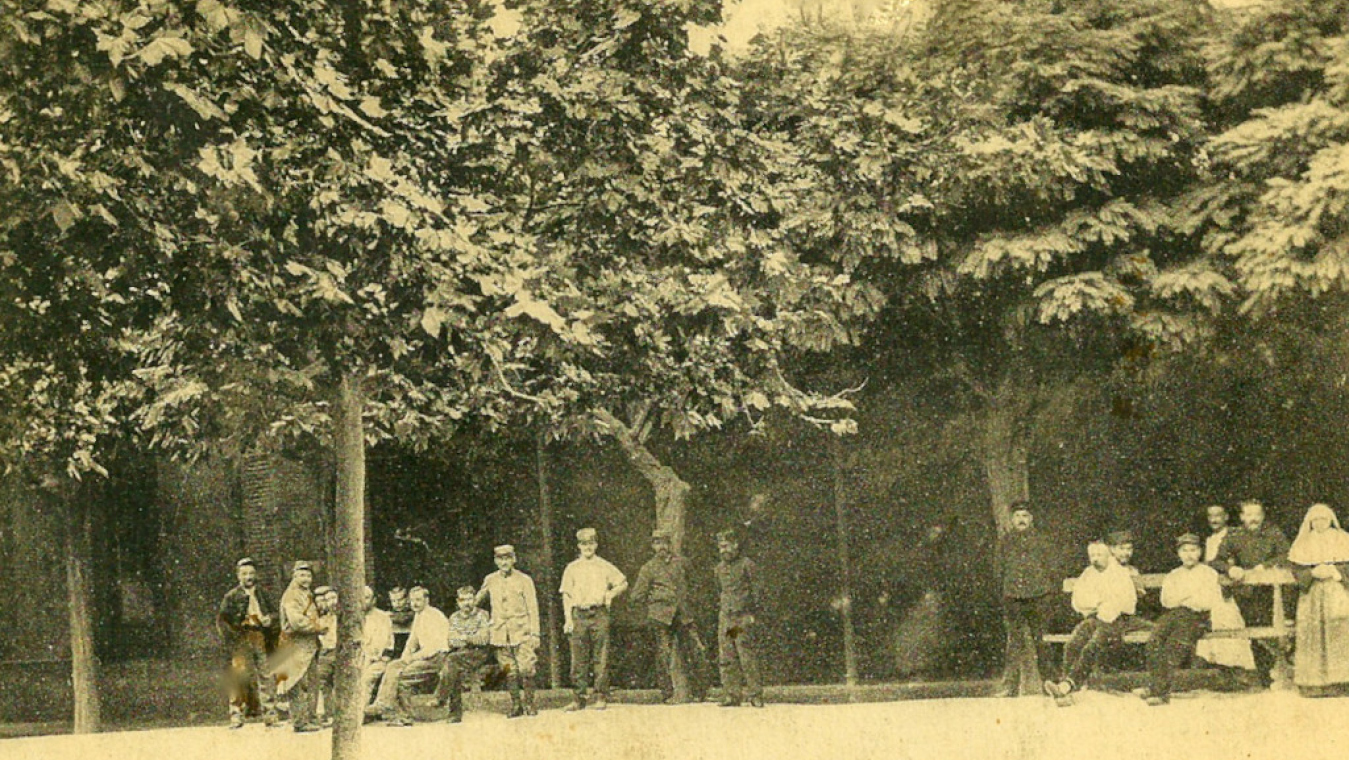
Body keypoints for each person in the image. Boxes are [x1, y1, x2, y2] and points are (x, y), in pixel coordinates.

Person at [1044, 541, 1137, 706]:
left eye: (1099, 555)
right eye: (1092, 555)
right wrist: (1097, 602)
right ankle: (1066, 692)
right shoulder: (1088, 574)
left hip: (1116, 618)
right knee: (1073, 643)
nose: (1095, 559)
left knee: (1092, 645)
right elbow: (1079, 599)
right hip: (1094, 617)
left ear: (1109, 555)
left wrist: (1107, 606)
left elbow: (1127, 601)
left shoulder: (1119, 573)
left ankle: (1067, 686)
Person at [1138, 534, 1224, 705]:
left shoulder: (1209, 573)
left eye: (1193, 550)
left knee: (1174, 647)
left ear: (1200, 551)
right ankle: (1154, 685)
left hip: (1198, 617)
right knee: (1154, 640)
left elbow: (1209, 600)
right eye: (1184, 551)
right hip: (1175, 614)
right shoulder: (1174, 575)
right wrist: (1188, 597)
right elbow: (1167, 600)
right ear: (1178, 553)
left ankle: (1159, 692)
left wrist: (1184, 598)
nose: (1189, 554)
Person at [1212, 500, 1291, 687]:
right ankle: (1251, 674)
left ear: (1263, 516)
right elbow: (1217, 560)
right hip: (1243, 591)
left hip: (1270, 591)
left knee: (1268, 630)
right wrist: (1231, 569)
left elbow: (1286, 554)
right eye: (1248, 515)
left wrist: (1266, 566)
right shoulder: (1234, 535)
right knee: (1246, 629)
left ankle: (1267, 674)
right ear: (1241, 517)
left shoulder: (1273, 533)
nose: (1253, 519)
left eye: (1257, 514)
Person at [630, 529, 712, 703]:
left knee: (697, 651)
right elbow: (636, 595)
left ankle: (701, 692)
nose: (662, 547)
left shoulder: (682, 563)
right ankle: (667, 694)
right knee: (663, 654)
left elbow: (695, 583)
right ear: (653, 546)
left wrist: (689, 601)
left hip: (683, 614)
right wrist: (655, 601)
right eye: (658, 543)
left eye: (665, 543)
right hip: (660, 617)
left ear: (670, 544)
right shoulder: (648, 568)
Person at [559, 527, 628, 711]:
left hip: (599, 614)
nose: (587, 547)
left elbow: (623, 582)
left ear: (596, 544)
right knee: (578, 659)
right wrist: (568, 619)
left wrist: (610, 594)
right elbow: (566, 595)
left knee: (601, 656)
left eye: (590, 543)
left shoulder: (604, 565)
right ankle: (578, 698)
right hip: (578, 614)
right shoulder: (572, 568)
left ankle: (600, 696)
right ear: (579, 546)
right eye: (583, 544)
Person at [1288, 503, 1349, 696]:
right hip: (1311, 594)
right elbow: (1296, 569)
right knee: (1311, 633)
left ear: (1331, 519)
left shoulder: (1343, 538)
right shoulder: (1303, 542)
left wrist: (1334, 571)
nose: (1320, 523)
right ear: (1310, 522)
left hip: (1337, 591)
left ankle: (1341, 681)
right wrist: (1312, 572)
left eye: (1324, 518)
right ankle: (1313, 684)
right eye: (1316, 520)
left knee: (1339, 632)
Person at [995, 504, 1055, 697]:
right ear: (1012, 519)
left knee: (1042, 640)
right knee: (1014, 642)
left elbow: (1051, 566)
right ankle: (1009, 687)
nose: (1021, 519)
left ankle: (1050, 684)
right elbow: (999, 568)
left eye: (1025, 515)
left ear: (1031, 519)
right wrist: (1005, 590)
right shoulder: (1005, 541)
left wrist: (1045, 589)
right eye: (1017, 516)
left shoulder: (1041, 540)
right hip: (1013, 597)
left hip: (1038, 596)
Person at [367, 586, 450, 726]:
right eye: (412, 601)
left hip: (436, 658)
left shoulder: (434, 616)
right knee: (394, 666)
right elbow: (412, 641)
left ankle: (389, 707)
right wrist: (404, 658)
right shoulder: (419, 615)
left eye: (418, 600)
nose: (414, 603)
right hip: (424, 657)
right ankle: (395, 710)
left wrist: (410, 659)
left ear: (427, 599)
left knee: (400, 676)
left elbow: (432, 649)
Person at [477, 545, 541, 718]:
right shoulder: (490, 580)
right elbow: (476, 602)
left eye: (507, 558)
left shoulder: (524, 580)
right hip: (500, 634)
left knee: (526, 668)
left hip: (522, 632)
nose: (504, 562)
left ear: (514, 559)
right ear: (496, 561)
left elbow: (533, 608)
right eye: (500, 559)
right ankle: (516, 705)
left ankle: (529, 703)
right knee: (508, 670)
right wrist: (485, 620)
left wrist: (535, 633)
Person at [216, 557, 279, 728]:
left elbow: (275, 613)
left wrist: (269, 619)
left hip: (259, 636)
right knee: (238, 675)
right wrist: (234, 638)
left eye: (251, 573)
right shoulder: (231, 596)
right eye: (244, 574)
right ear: (238, 576)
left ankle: (270, 714)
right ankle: (236, 715)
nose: (248, 577)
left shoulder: (263, 593)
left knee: (266, 674)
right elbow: (222, 621)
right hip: (241, 639)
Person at [1194, 505, 1255, 673]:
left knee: (1231, 625)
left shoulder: (1234, 536)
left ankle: (1239, 669)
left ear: (1226, 517)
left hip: (1232, 589)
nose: (1214, 520)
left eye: (1218, 516)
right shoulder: (1208, 539)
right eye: (1210, 516)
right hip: (1211, 590)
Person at [274, 560, 325, 732]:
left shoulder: (306, 593)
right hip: (295, 644)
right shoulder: (292, 595)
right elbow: (296, 622)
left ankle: (310, 717)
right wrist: (318, 627)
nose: (305, 578)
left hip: (308, 645)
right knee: (297, 682)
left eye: (308, 575)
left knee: (311, 681)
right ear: (294, 576)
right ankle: (300, 721)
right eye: (301, 575)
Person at [715, 529, 764, 708]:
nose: (723, 551)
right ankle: (731, 695)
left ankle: (755, 695)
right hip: (726, 616)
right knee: (726, 656)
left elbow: (757, 591)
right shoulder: (719, 568)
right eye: (720, 547)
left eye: (726, 546)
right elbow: (719, 591)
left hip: (742, 616)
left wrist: (752, 614)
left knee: (746, 655)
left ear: (736, 545)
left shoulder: (747, 565)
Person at [432, 586, 493, 723]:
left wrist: (463, 637)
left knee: (452, 661)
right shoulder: (454, 617)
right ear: (458, 602)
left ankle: (442, 699)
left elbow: (483, 639)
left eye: (470, 599)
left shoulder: (482, 615)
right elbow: (452, 640)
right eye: (463, 600)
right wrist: (470, 637)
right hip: (460, 654)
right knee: (452, 667)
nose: (467, 603)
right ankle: (454, 713)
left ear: (474, 599)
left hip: (479, 654)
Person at [360, 585, 396, 708]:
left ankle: (361, 712)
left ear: (373, 600)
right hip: (360, 658)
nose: (363, 601)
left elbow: (381, 644)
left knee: (366, 678)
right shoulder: (356, 617)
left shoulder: (382, 618)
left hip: (377, 659)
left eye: (366, 598)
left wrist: (369, 658)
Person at [312, 587, 339, 726]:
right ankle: (326, 714)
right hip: (326, 652)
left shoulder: (343, 618)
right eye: (328, 600)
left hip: (340, 652)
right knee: (322, 682)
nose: (331, 602)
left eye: (334, 598)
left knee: (338, 683)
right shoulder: (323, 619)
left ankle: (337, 715)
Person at [388, 587, 414, 658]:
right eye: (393, 601)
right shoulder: (390, 614)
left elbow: (403, 619)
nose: (397, 604)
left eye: (400, 600)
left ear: (407, 599)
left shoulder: (413, 613)